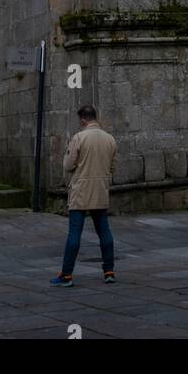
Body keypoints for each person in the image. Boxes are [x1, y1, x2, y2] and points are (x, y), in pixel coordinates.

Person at [50, 105, 117, 286]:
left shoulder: (79, 138)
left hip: (80, 190)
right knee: (104, 231)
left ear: (83, 120)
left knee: (74, 233)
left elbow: (68, 165)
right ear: (96, 117)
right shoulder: (110, 139)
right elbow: (112, 168)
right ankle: (109, 271)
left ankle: (66, 274)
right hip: (100, 189)